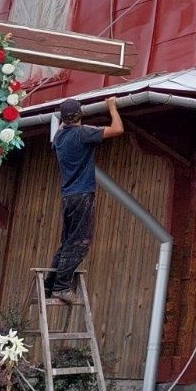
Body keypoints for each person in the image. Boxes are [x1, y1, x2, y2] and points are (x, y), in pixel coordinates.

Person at [45, 97, 123, 305]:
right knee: (80, 241)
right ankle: (61, 287)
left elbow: (64, 126)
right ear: (80, 115)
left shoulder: (58, 139)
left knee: (67, 242)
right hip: (82, 195)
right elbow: (117, 129)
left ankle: (50, 285)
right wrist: (112, 107)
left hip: (68, 196)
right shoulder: (82, 133)